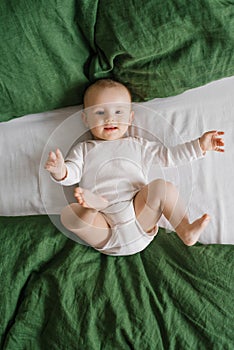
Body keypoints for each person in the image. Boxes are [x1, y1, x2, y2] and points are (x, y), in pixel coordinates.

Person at [44, 79, 225, 256]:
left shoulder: (138, 145)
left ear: (130, 118)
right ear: (85, 118)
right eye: (99, 112)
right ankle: (91, 208)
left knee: (162, 188)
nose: (109, 118)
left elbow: (169, 157)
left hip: (139, 218)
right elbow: (72, 174)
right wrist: (60, 170)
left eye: (118, 112)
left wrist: (199, 146)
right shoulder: (84, 150)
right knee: (69, 215)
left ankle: (185, 229)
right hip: (104, 228)